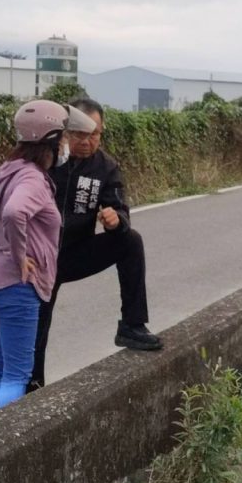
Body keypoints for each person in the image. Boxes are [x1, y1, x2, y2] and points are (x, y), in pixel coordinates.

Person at [28, 97, 162, 393]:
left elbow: (120, 209)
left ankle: (132, 325)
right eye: (80, 134)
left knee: (130, 241)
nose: (88, 141)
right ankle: (31, 388)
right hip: (38, 259)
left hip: (76, 252)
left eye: (95, 134)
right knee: (36, 328)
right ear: (64, 131)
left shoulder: (105, 167)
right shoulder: (44, 160)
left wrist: (116, 220)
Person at [0, 100, 69, 421]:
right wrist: (22, 257)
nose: (66, 144)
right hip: (19, 284)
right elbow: (15, 213)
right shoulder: (32, 179)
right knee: (16, 373)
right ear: (51, 140)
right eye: (63, 137)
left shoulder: (9, 171)